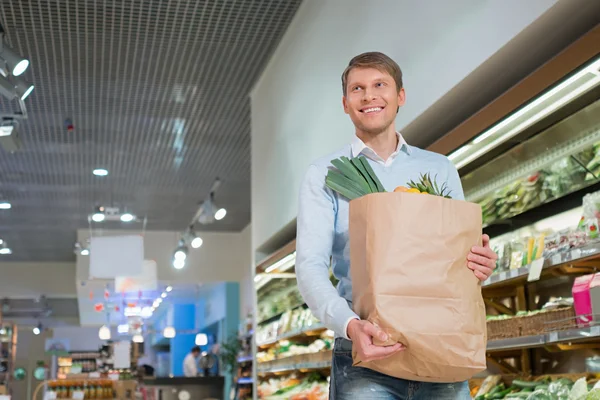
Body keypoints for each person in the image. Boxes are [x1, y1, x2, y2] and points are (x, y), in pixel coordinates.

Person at [295, 51, 498, 400]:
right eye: (357, 88)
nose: (369, 95)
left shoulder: (439, 168)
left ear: (400, 96)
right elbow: (309, 266)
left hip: (440, 346)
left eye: (379, 85)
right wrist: (349, 326)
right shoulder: (325, 174)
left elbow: (458, 257)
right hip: (365, 352)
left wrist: (480, 263)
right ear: (345, 103)